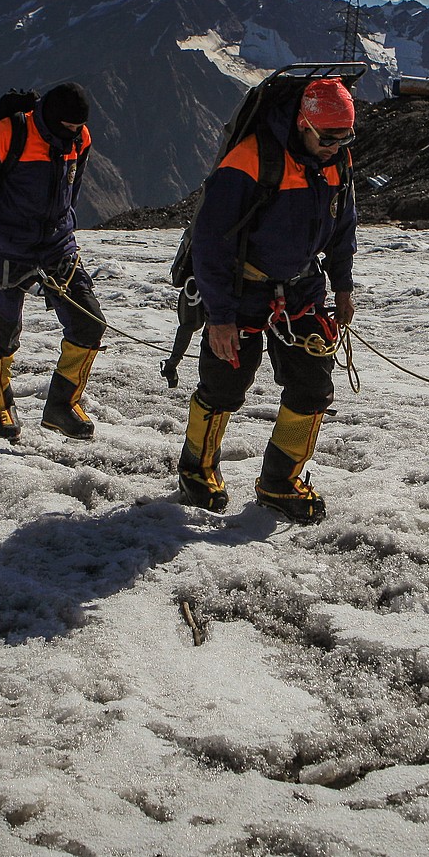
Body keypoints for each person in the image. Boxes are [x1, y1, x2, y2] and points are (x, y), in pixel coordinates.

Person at [177, 76, 358, 524]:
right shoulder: (250, 160)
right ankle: (196, 470)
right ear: (303, 124)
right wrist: (219, 317)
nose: (335, 146)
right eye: (328, 137)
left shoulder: (336, 163)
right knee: (223, 385)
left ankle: (280, 482)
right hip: (240, 293)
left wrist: (343, 286)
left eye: (345, 137)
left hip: (301, 291)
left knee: (313, 387)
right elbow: (211, 243)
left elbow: (342, 228)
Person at [0, 82, 105, 442]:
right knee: (3, 331)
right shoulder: (10, 133)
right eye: (66, 127)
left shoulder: (79, 137)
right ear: (50, 117)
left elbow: (74, 181)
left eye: (76, 128)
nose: (72, 134)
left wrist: (66, 221)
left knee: (89, 324)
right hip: (7, 247)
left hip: (56, 246)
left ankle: (61, 406)